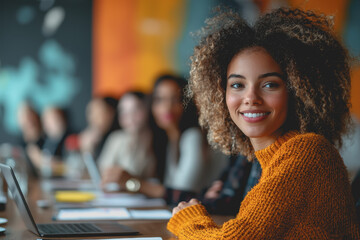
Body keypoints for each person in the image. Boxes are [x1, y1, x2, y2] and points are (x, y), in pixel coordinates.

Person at [167, 8, 360, 239]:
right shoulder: (271, 159)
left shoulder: (307, 152)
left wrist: (189, 219)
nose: (251, 98)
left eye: (270, 84)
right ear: (221, 94)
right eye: (237, 85)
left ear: (298, 91)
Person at [99, 91, 156, 185]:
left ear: (147, 109)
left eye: (135, 110)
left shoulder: (155, 139)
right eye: (123, 111)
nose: (130, 117)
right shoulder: (116, 138)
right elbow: (103, 170)